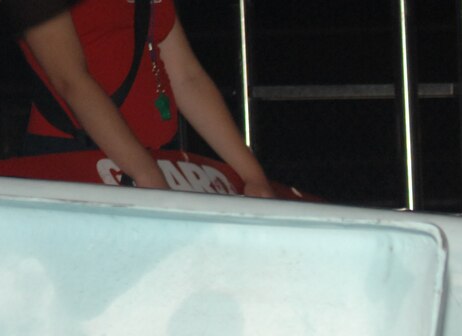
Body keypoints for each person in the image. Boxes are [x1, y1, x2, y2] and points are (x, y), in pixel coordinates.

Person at [14, 0, 273, 196]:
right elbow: (70, 80)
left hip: (157, 159)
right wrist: (146, 173)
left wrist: (253, 176)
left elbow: (187, 77)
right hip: (74, 157)